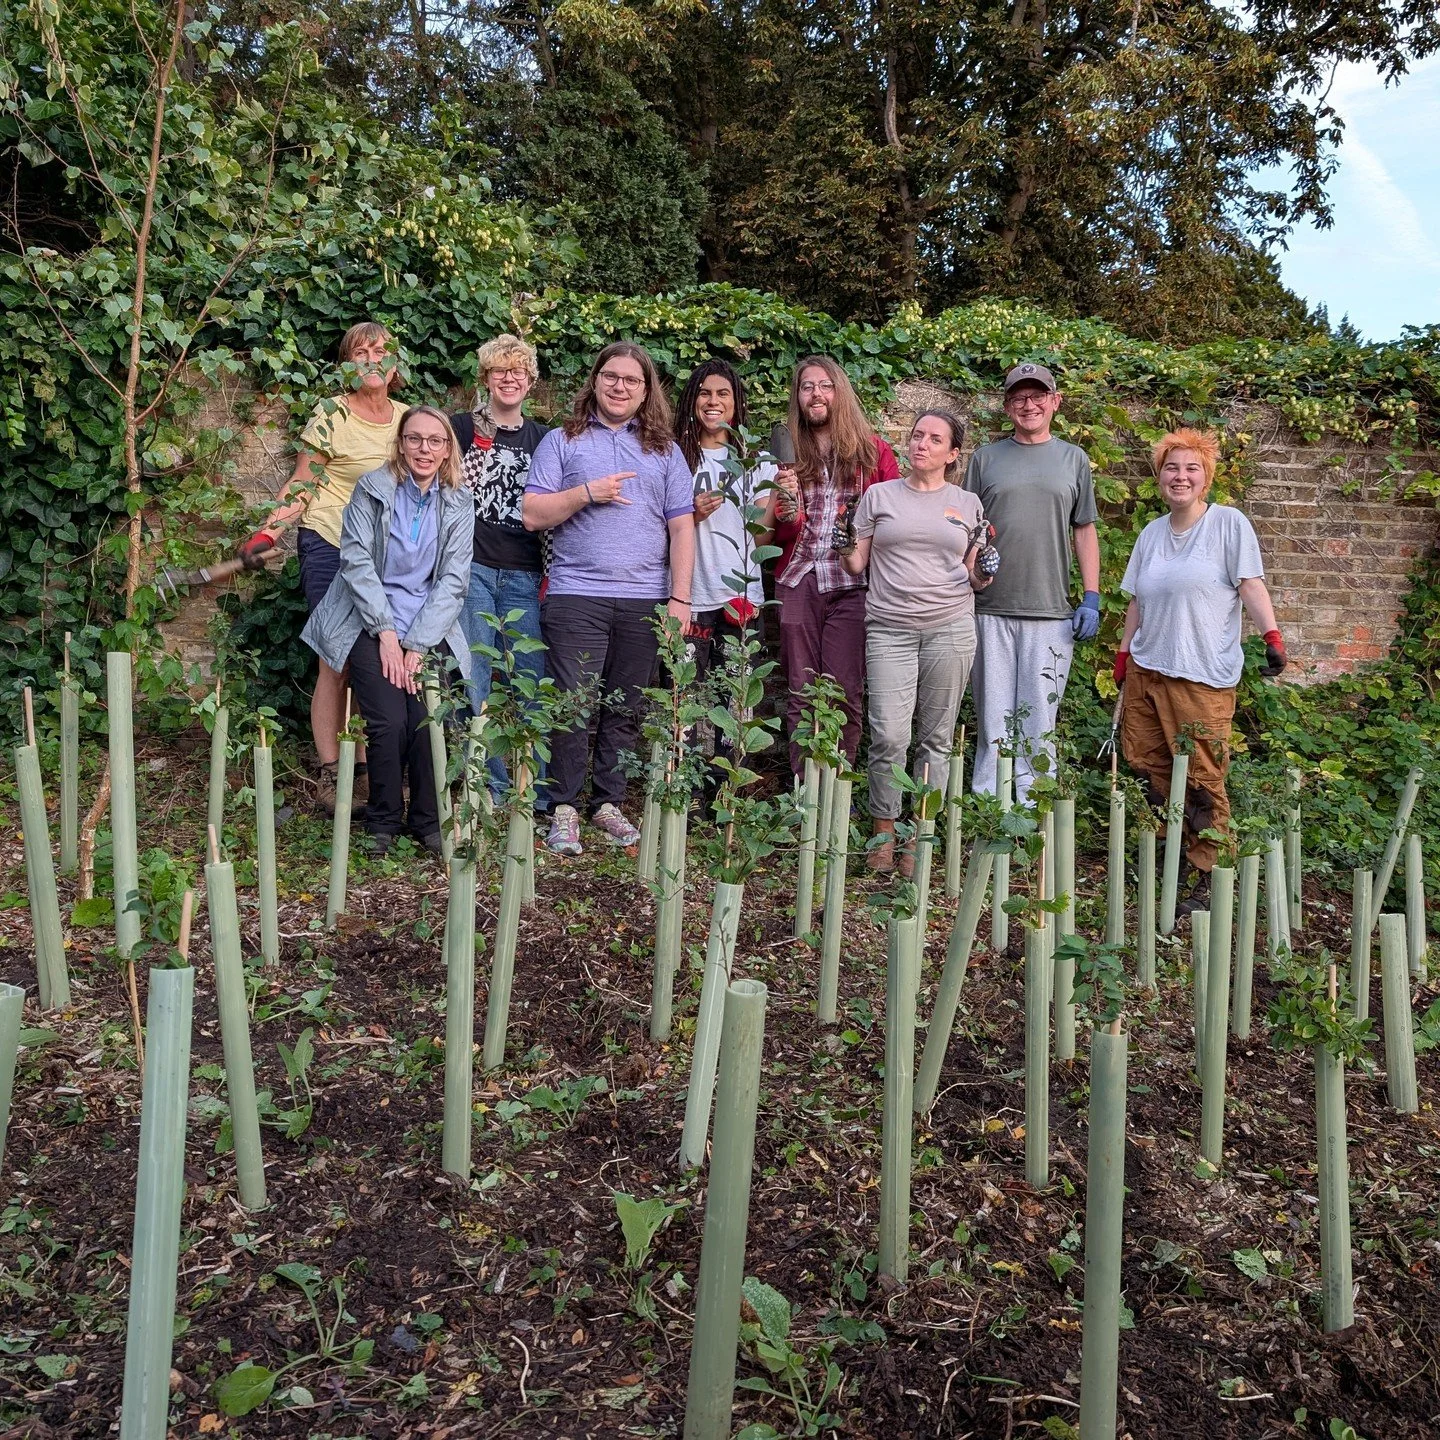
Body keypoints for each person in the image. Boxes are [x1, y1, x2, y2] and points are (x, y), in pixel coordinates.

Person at [522, 343, 696, 856]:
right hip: (577, 594)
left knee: (626, 704)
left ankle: (609, 803)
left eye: (632, 380)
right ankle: (565, 807)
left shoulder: (665, 450)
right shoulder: (561, 441)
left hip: (645, 598)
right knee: (573, 704)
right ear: (594, 381)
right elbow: (533, 514)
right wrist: (586, 493)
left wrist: (679, 599)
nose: (620, 386)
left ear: (646, 392)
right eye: (611, 376)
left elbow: (682, 527)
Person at [1115, 427, 1285, 911]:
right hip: (1149, 671)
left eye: (1192, 468)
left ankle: (1209, 869)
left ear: (1206, 477)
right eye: (1172, 467)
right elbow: (1137, 602)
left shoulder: (1228, 525)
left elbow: (1250, 585)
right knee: (1150, 768)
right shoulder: (1151, 533)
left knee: (1203, 777)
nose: (1181, 476)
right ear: (1159, 476)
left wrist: (1272, 637)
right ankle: (1173, 854)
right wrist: (1124, 657)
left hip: (1200, 676)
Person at [238, 321, 404, 813]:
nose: (372, 359)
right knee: (337, 658)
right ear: (347, 364)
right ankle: (333, 773)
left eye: (381, 351)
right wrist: (269, 532)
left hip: (387, 557)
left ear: (395, 365)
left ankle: (377, 770)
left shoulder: (408, 419)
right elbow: (302, 482)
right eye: (361, 351)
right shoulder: (332, 414)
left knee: (379, 662)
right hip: (330, 544)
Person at [300, 406, 473, 855]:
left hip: (428, 627)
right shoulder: (373, 488)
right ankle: (382, 822)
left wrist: (416, 643)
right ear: (400, 444)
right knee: (388, 721)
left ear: (447, 448)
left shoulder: (458, 500)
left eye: (435, 441)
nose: (425, 449)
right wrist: (389, 638)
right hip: (366, 619)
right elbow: (356, 564)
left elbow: (453, 581)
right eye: (415, 439)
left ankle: (428, 821)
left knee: (426, 719)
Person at [839, 412, 991, 874]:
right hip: (889, 628)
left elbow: (976, 577)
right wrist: (843, 543)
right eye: (917, 435)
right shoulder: (878, 496)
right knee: (888, 734)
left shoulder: (968, 503)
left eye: (934, 439)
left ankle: (918, 838)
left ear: (952, 454)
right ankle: (883, 833)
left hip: (950, 627)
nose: (922, 443)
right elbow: (855, 566)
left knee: (936, 739)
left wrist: (987, 569)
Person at [964, 362, 1100, 804]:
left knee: (1041, 716)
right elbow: (968, 528)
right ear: (1007, 407)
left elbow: (1084, 529)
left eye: (1038, 395)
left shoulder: (1073, 459)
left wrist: (1092, 596)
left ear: (1055, 401)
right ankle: (989, 803)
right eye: (1019, 397)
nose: (1029, 404)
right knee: (993, 715)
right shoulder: (985, 459)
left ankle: (1034, 803)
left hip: (1051, 610)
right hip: (990, 606)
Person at [766, 355, 900, 771]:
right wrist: (783, 504)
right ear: (798, 397)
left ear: (839, 392)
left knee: (844, 690)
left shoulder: (874, 453)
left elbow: (893, 520)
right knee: (801, 689)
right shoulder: (786, 456)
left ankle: (838, 787)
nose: (816, 394)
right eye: (807, 387)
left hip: (853, 583)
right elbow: (771, 531)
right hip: (798, 578)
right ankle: (804, 789)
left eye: (825, 385)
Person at [450, 334, 550, 796]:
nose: (509, 378)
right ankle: (487, 785)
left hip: (525, 571)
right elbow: (446, 490)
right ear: (485, 378)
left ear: (530, 381)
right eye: (499, 370)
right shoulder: (461, 428)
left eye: (518, 371)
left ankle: (534, 788)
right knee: (475, 679)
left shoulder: (545, 438)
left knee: (530, 677)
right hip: (472, 567)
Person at [674, 359, 774, 682]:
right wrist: (693, 514)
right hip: (690, 597)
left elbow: (762, 540)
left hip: (741, 598)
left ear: (736, 403)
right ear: (692, 400)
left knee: (737, 709)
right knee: (684, 703)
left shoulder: (756, 462)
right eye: (704, 393)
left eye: (723, 394)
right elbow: (655, 530)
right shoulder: (675, 456)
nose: (713, 401)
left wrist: (779, 498)